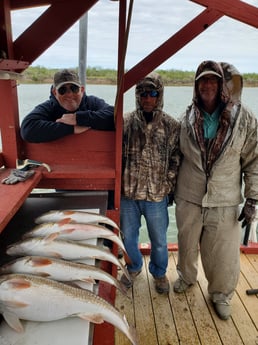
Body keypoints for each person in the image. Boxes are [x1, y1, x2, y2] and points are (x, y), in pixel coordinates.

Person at [173, 60, 258, 320]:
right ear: (196, 86)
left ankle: (221, 294)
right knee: (187, 245)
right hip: (189, 195)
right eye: (202, 81)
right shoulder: (185, 117)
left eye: (213, 80)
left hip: (225, 198)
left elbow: (254, 159)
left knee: (223, 253)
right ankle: (186, 278)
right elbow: (176, 157)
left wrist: (253, 198)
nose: (207, 85)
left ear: (222, 84)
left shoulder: (244, 117)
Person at [120, 72, 181, 294]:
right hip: (128, 194)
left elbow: (176, 158)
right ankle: (133, 267)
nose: (147, 98)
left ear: (160, 95)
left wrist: (168, 185)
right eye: (143, 93)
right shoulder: (124, 122)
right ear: (137, 95)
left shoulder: (172, 125)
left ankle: (159, 272)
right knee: (128, 236)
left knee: (159, 240)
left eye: (152, 93)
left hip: (157, 196)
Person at [20, 69, 115, 143]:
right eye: (62, 90)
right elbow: (27, 129)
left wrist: (78, 119)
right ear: (55, 92)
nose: (69, 94)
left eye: (74, 89)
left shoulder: (92, 102)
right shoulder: (48, 107)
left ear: (81, 90)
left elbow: (113, 115)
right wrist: (71, 129)